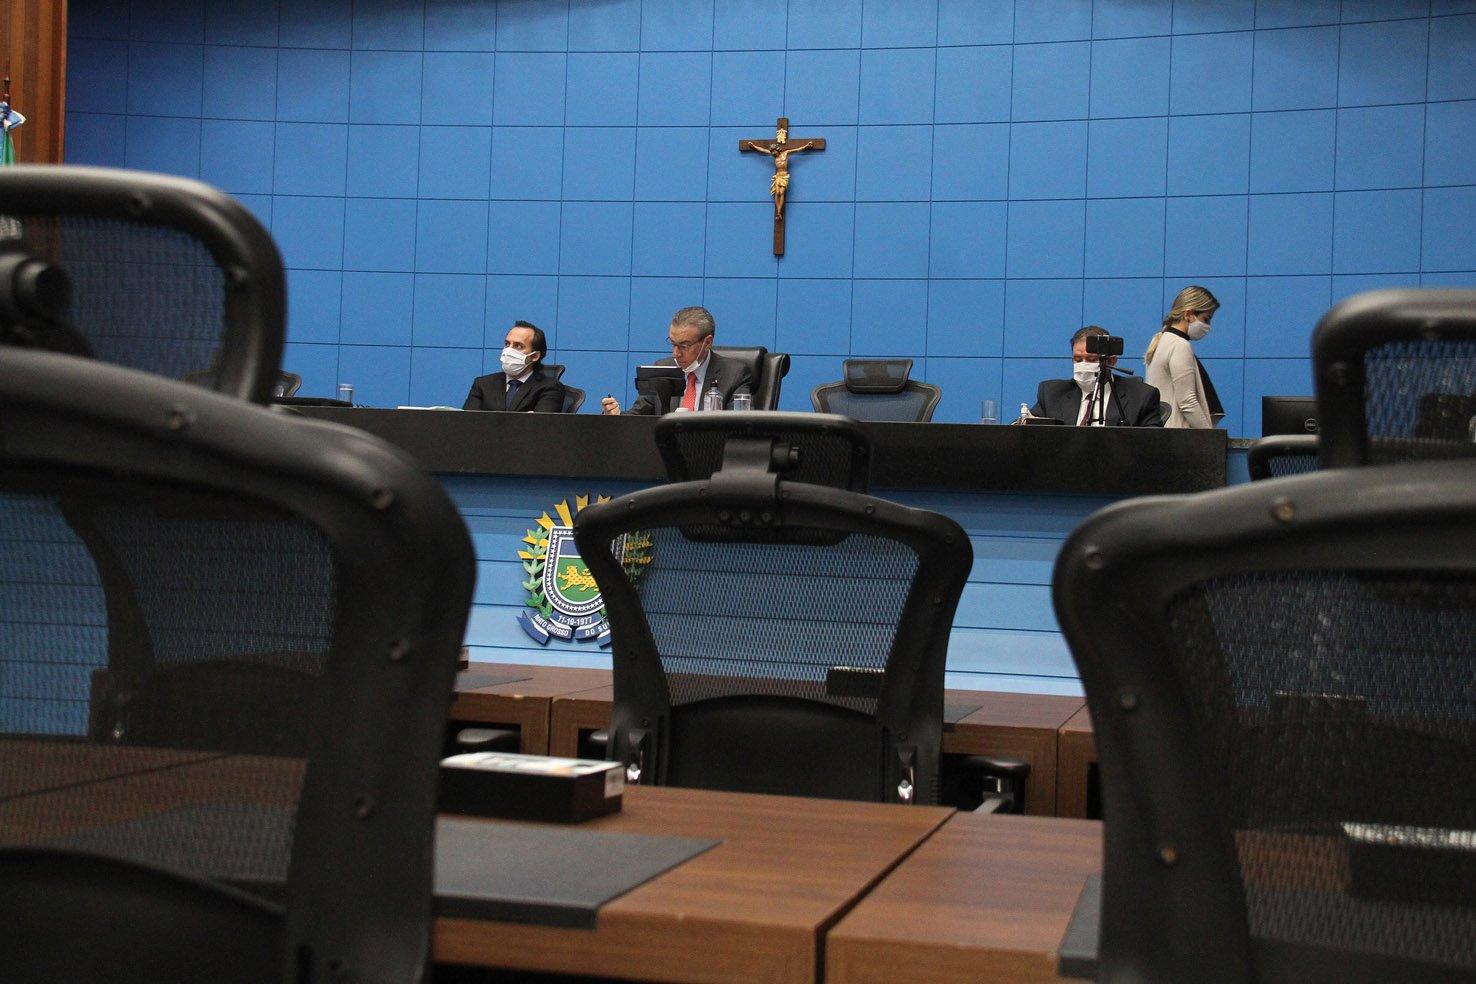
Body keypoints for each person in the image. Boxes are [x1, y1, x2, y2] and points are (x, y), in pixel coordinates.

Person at [601, 306, 752, 415]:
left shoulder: (734, 375)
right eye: (673, 344)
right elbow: (638, 417)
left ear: (707, 343)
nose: (675, 354)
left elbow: (739, 426)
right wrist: (616, 416)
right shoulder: (662, 369)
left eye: (684, 346)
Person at [1028, 326, 1164, 427]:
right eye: (1078, 359)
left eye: (1091, 359)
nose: (1083, 365)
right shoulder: (1052, 393)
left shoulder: (1141, 397)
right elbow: (1027, 428)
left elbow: (1152, 443)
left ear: (1112, 361)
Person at [1144, 285, 1224, 429]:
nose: (1208, 326)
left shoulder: (1161, 341)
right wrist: (1209, 436)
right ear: (1188, 314)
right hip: (1179, 433)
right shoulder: (1179, 345)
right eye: (1206, 319)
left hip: (1163, 431)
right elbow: (1188, 402)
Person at [463, 321, 565, 412]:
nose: (508, 350)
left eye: (518, 346)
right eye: (507, 344)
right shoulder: (482, 384)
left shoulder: (549, 387)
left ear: (534, 356)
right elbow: (467, 422)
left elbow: (540, 425)